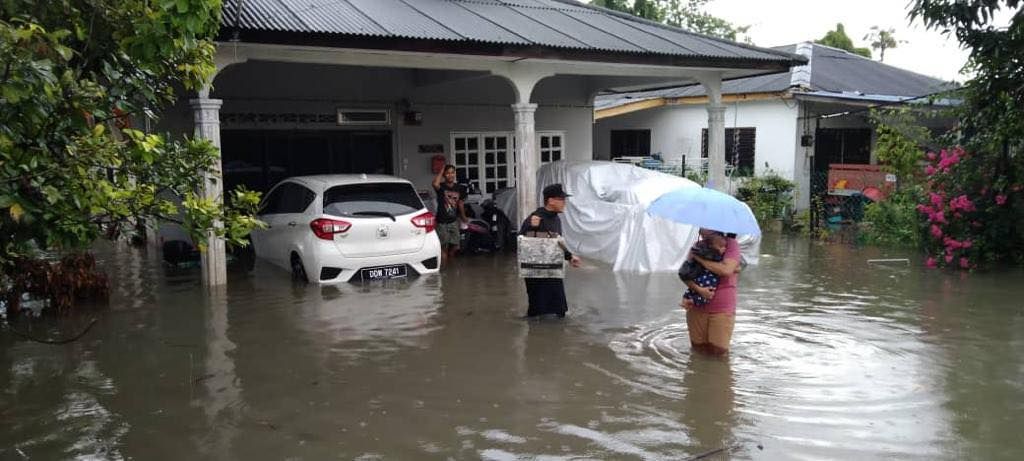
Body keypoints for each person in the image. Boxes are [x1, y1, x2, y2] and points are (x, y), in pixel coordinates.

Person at [519, 184, 582, 318]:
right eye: (561, 199)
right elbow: (522, 241)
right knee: (537, 310)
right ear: (551, 201)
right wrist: (533, 227)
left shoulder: (555, 218)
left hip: (552, 269)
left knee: (559, 309)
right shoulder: (535, 218)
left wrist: (569, 257)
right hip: (536, 272)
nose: (564, 203)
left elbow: (556, 241)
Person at [680, 229, 741, 355]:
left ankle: (715, 374)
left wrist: (700, 259)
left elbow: (726, 270)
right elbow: (685, 274)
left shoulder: (730, 244)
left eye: (704, 225)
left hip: (721, 309)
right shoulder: (698, 246)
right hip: (696, 305)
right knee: (697, 350)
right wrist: (699, 290)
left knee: (718, 353)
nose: (700, 228)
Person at [432, 164, 468, 267]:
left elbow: (460, 203)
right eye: (448, 173)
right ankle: (445, 268)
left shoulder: (459, 187)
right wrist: (442, 169)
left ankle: (450, 264)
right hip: (442, 222)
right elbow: (435, 183)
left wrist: (463, 217)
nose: (450, 175)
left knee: (456, 246)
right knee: (444, 247)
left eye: (452, 172)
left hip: (453, 221)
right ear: (444, 175)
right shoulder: (441, 187)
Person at [679, 232, 728, 307]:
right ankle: (690, 300)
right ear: (712, 246)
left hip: (700, 278)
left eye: (724, 247)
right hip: (709, 279)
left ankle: (687, 300)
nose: (724, 249)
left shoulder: (699, 249)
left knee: (694, 291)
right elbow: (725, 268)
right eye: (721, 247)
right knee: (707, 293)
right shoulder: (716, 255)